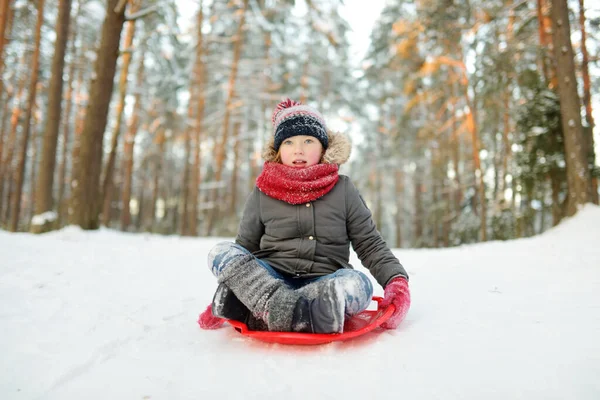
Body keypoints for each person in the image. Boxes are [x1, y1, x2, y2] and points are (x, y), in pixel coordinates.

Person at [198, 99, 410, 334]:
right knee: (220, 253)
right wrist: (233, 283)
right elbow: (244, 250)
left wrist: (396, 282)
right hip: (269, 279)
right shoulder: (262, 192)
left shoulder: (343, 190)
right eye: (288, 142)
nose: (298, 149)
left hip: (325, 282)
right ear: (279, 151)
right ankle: (295, 311)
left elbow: (369, 244)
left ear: (323, 148)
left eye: (308, 141)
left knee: (358, 285)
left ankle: (273, 309)